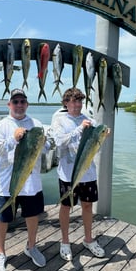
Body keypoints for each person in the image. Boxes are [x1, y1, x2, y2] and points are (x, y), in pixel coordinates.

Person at [0, 88, 50, 271]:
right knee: (1, 218)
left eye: (22, 101)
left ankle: (31, 247)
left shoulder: (36, 123)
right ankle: (0, 253)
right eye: (15, 102)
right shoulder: (1, 125)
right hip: (8, 183)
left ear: (27, 104)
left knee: (32, 215)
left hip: (31, 183)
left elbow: (47, 148)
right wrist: (12, 139)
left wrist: (45, 141)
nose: (19, 105)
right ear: (9, 105)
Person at [51, 87, 109, 261]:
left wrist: (104, 135)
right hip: (68, 175)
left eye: (79, 101)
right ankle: (65, 242)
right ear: (66, 103)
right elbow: (59, 142)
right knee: (66, 207)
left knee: (87, 206)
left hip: (88, 173)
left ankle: (89, 239)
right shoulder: (60, 120)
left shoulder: (89, 120)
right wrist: (78, 130)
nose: (77, 104)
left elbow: (95, 146)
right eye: (73, 101)